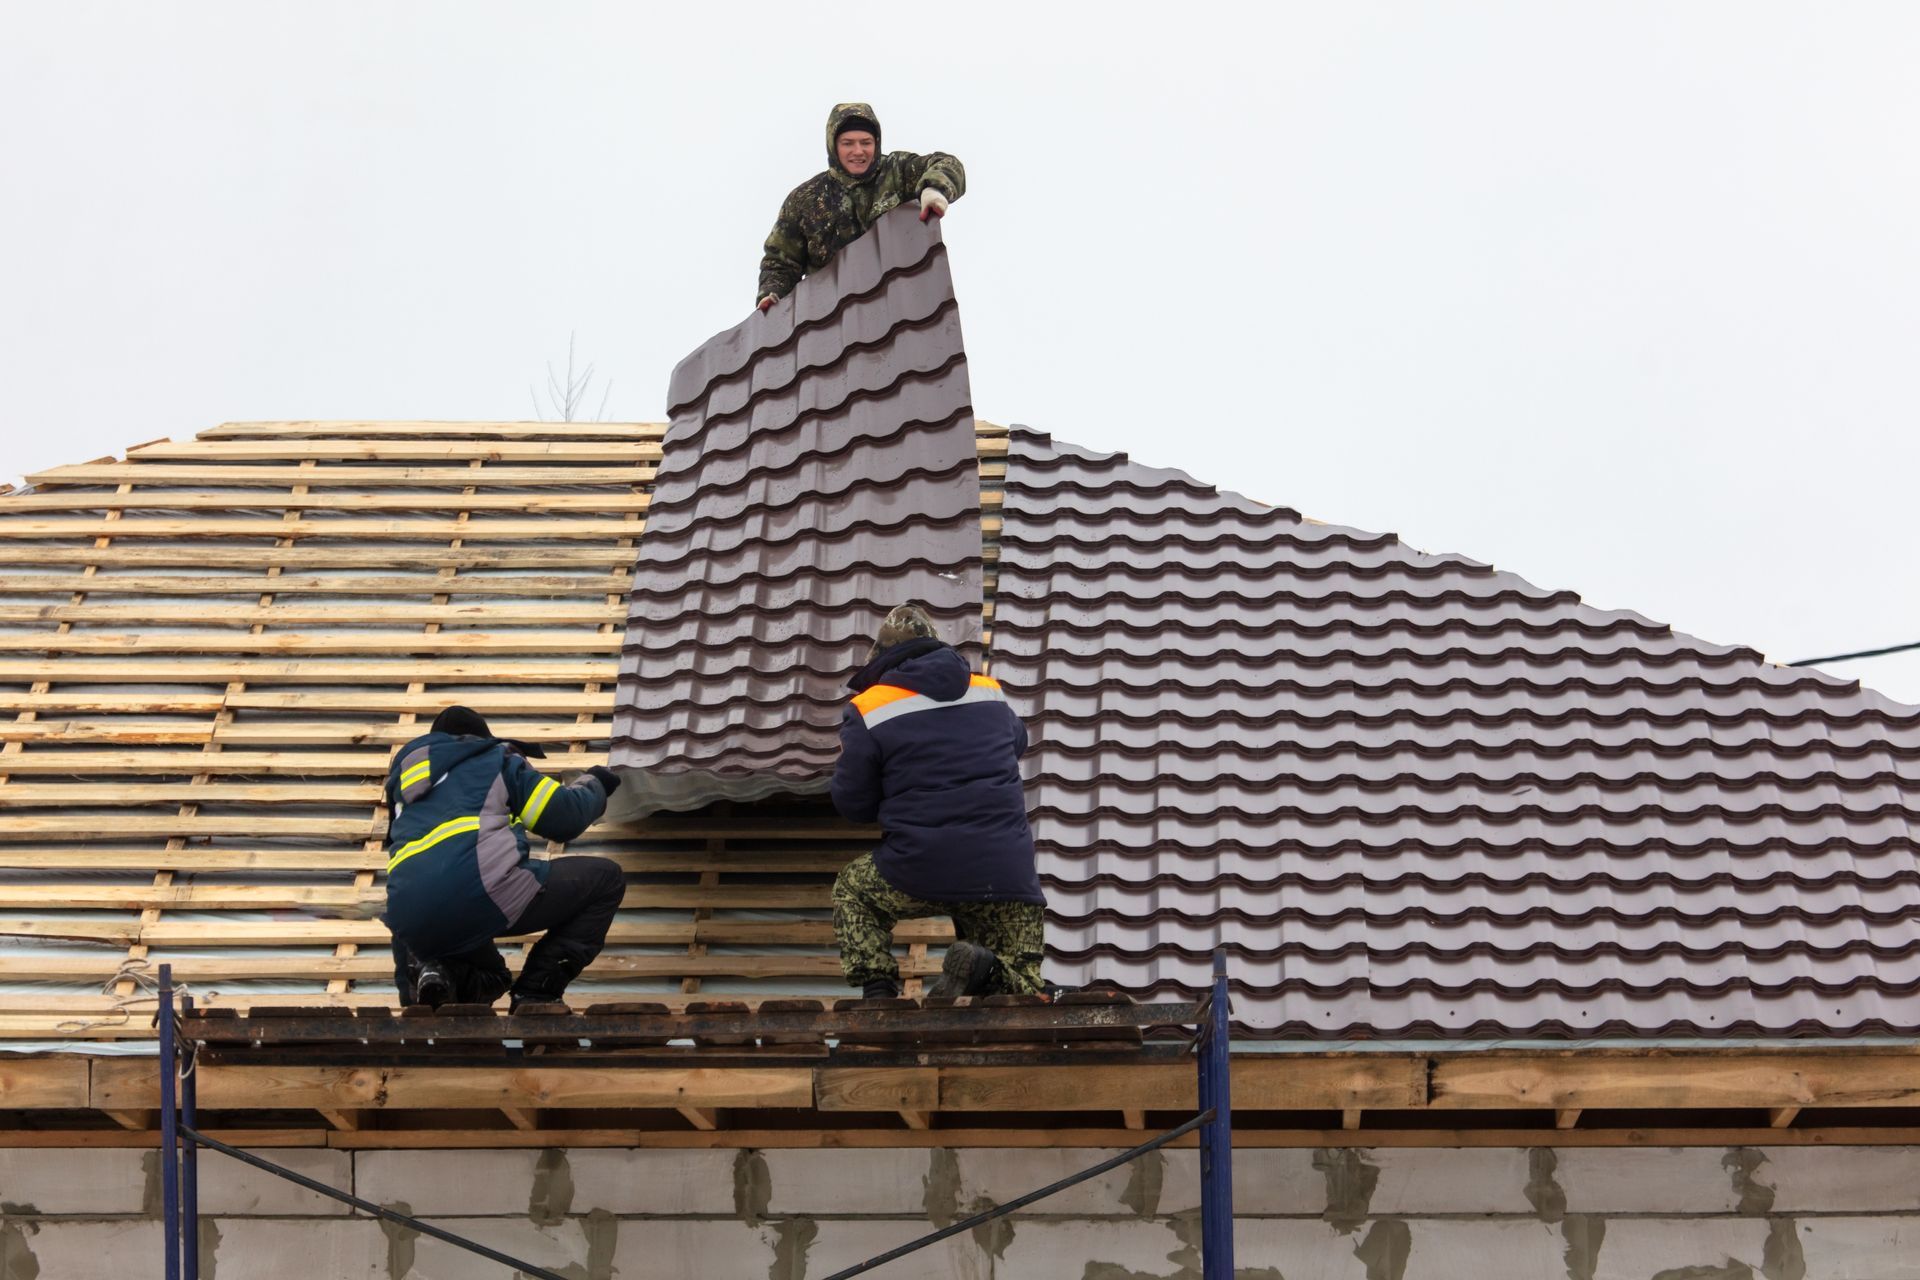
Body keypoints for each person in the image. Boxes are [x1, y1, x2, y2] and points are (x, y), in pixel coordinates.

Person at [828, 605, 1046, 1001]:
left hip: (921, 865)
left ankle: (879, 990)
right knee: (1024, 983)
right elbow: (1017, 743)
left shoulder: (870, 706)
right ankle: (988, 969)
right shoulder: (988, 690)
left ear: (881, 656)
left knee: (853, 891)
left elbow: (853, 803)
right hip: (1007, 873)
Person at [382, 705, 625, 1010]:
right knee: (606, 879)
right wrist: (597, 783)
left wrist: (411, 1006)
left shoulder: (403, 785)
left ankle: (440, 974)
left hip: (409, 923)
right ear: (479, 738)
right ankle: (537, 993)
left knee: (493, 975)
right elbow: (563, 817)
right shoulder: (495, 758)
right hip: (482, 894)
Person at [756, 102, 966, 311]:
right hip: (832, 315)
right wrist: (772, 296)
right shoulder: (805, 199)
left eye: (865, 142)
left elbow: (948, 163)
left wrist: (934, 189)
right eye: (848, 143)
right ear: (833, 145)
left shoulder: (896, 171)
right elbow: (780, 262)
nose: (858, 151)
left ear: (876, 143)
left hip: (900, 299)